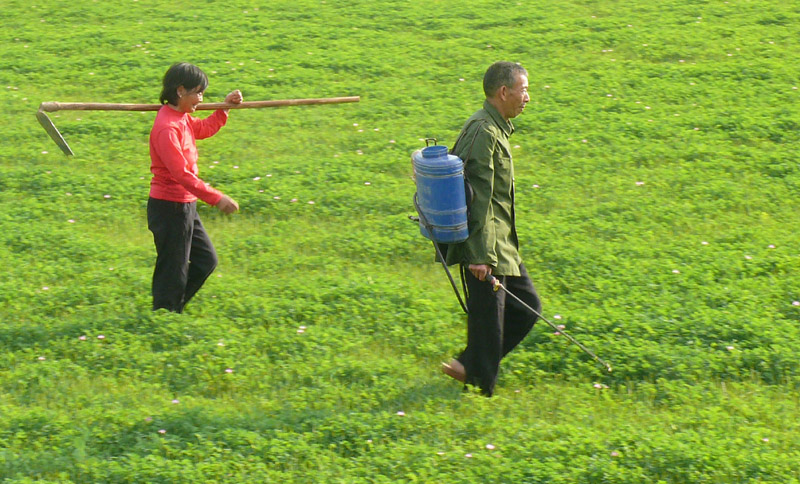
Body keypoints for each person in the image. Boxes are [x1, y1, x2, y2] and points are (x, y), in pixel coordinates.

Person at [441, 61, 541, 396]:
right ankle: (477, 388)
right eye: (523, 89)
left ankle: (471, 366)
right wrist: (480, 257)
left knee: (527, 308)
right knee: (489, 320)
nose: (527, 97)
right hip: (485, 249)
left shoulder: (495, 129)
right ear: (503, 92)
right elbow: (477, 198)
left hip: (502, 245)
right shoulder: (484, 132)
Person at [147, 62, 242, 313]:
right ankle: (166, 312)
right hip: (169, 207)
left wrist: (224, 108)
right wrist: (217, 198)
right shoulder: (167, 127)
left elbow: (203, 128)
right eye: (197, 92)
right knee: (173, 268)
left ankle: (170, 307)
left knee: (205, 260)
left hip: (186, 205)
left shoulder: (182, 118)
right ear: (180, 91)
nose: (201, 99)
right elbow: (181, 174)